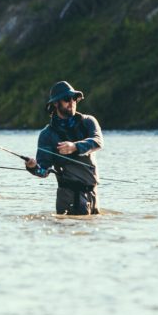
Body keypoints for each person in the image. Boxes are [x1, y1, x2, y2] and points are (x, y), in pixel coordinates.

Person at [25, 81, 103, 215]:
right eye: (67, 99)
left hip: (93, 195)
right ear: (55, 103)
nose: (71, 102)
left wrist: (74, 147)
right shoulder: (47, 135)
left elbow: (98, 142)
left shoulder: (88, 121)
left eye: (74, 98)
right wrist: (32, 167)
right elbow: (43, 171)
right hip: (68, 197)